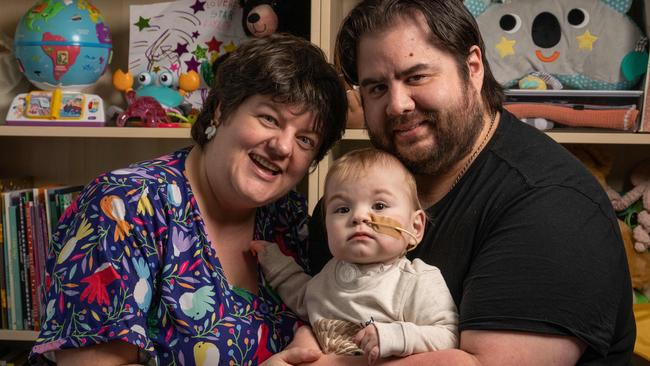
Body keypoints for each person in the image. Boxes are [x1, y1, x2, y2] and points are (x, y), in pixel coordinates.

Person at [306, 0, 637, 364]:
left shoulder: (551, 205)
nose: (397, 104)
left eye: (416, 76)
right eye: (376, 88)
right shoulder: (354, 200)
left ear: (473, 68)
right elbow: (316, 312)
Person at [30, 33, 347, 366]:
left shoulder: (287, 216)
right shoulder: (123, 205)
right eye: (269, 118)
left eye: (305, 139)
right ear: (222, 110)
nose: (283, 147)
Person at [251, 148, 458, 364]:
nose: (359, 216)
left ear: (415, 227)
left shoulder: (415, 280)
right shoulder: (329, 274)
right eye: (342, 209)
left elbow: (449, 336)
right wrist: (275, 263)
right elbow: (305, 298)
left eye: (379, 206)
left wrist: (396, 336)